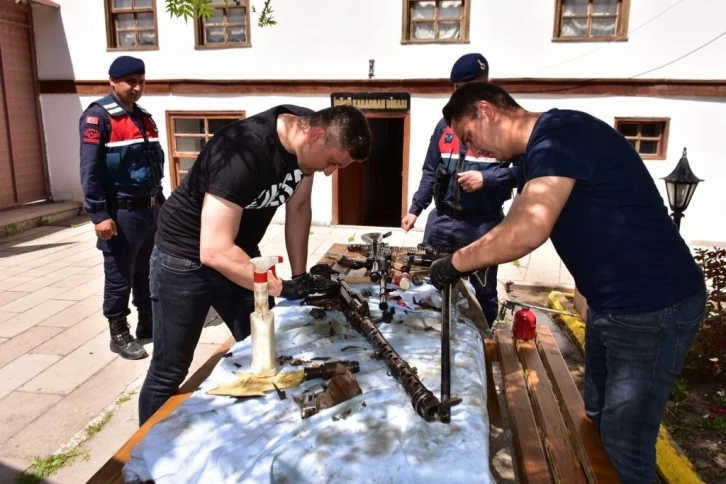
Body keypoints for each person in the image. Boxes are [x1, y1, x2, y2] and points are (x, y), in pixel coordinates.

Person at [429, 82, 706, 483]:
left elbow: (526, 230)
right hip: (613, 306)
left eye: (469, 137)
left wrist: (455, 263)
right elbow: (516, 221)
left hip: (653, 309)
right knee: (596, 418)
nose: (474, 151)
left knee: (626, 447)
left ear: (486, 111)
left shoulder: (561, 135)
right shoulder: (536, 154)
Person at [138, 104, 372, 425]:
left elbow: (299, 207)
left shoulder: (307, 136)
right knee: (169, 370)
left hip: (239, 250)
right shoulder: (245, 151)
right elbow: (214, 250)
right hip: (183, 257)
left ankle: (257, 426)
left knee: (266, 350)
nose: (331, 171)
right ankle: (143, 452)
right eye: (333, 162)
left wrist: (300, 276)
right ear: (316, 136)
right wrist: (281, 286)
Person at [401, 53, 518, 326]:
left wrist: (486, 179)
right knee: (430, 282)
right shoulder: (445, 125)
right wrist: (415, 209)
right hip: (442, 221)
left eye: (467, 87)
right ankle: (434, 335)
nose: (459, 94)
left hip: (482, 225)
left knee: (483, 291)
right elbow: (430, 170)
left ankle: (484, 339)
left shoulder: (505, 125)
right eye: (456, 88)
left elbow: (523, 172)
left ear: (487, 84)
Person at [79, 55, 165, 361]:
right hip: (121, 212)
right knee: (119, 275)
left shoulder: (143, 118)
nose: (137, 87)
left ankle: (147, 321)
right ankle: (118, 332)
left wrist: (162, 205)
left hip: (150, 210)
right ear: (112, 81)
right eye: (131, 82)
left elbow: (153, 168)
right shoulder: (98, 117)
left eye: (141, 81)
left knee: (147, 270)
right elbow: (89, 170)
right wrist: (98, 215)